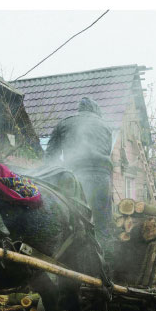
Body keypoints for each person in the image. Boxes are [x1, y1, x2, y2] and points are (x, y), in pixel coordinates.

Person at [46, 98, 115, 232]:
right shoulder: (106, 126)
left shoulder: (65, 123)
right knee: (103, 224)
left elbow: (50, 156)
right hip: (102, 179)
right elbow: (107, 152)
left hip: (75, 176)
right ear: (95, 110)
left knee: (73, 220)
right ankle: (107, 250)